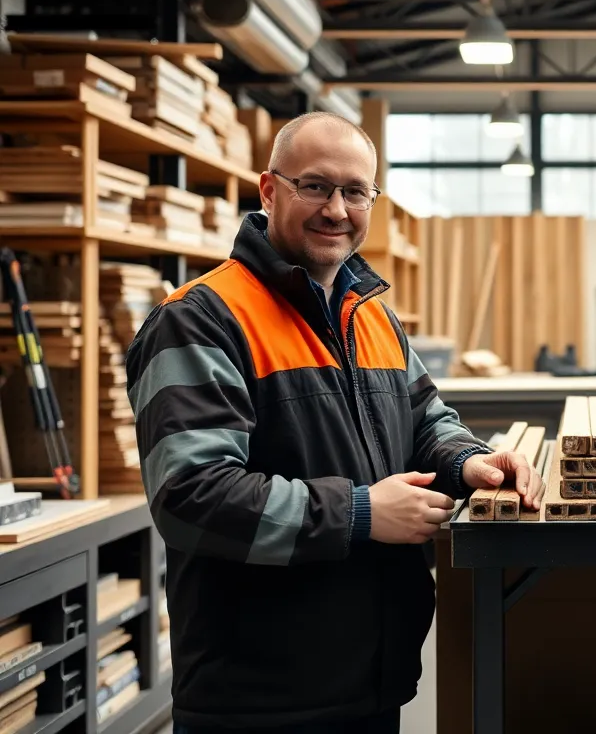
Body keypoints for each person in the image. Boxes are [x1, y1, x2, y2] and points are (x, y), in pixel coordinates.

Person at [126, 111, 543, 734]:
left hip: (373, 679)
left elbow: (427, 418)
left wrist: (467, 459)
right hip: (258, 695)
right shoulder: (202, 320)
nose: (337, 210)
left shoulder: (372, 315)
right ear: (269, 191)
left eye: (356, 192)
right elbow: (191, 496)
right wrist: (362, 513)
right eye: (315, 186)